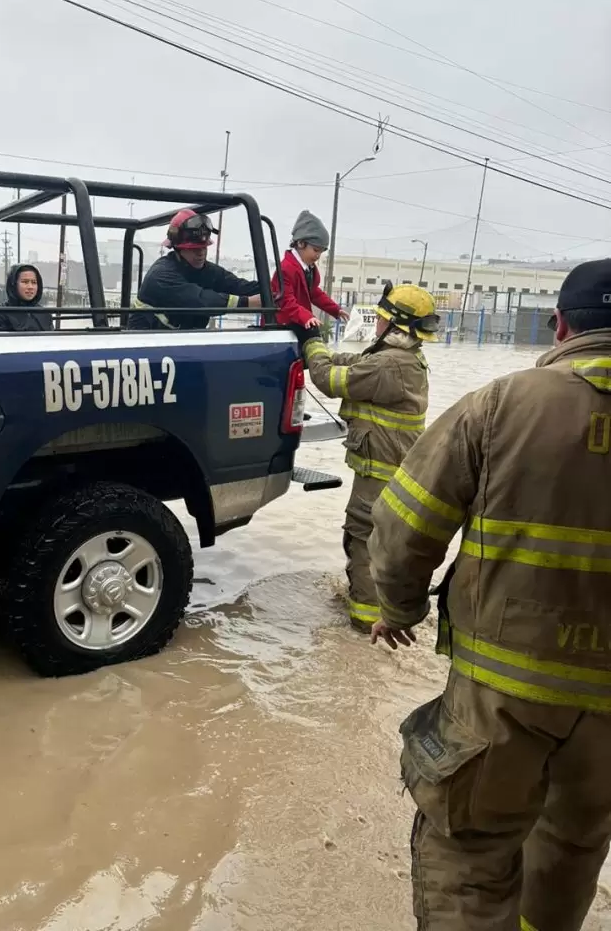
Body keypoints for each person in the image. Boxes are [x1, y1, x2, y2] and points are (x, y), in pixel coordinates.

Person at [366, 258, 611, 931]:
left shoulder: (504, 402)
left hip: (502, 699)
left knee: (467, 856)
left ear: (561, 323)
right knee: (574, 845)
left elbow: (403, 523)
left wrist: (399, 607)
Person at [301, 281, 438, 632]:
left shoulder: (389, 366)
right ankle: (378, 608)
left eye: (380, 318)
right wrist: (326, 351)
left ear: (394, 324)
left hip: (379, 478)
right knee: (381, 543)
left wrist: (311, 344)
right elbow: (356, 361)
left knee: (363, 538)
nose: (375, 323)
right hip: (391, 473)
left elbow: (329, 380)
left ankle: (364, 625)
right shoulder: (402, 359)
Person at [128, 209, 261, 330]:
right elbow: (200, 300)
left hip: (179, 346)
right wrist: (247, 302)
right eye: (194, 249)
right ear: (178, 249)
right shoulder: (161, 275)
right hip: (146, 347)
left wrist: (274, 289)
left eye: (204, 247)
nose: (201, 253)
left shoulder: (208, 271)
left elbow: (238, 286)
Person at [273, 209, 349, 329]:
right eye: (315, 250)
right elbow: (286, 302)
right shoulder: (285, 269)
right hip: (282, 325)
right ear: (301, 243)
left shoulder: (308, 269)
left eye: (321, 251)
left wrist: (336, 309)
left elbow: (314, 293)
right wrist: (307, 317)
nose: (318, 255)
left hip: (299, 321)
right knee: (313, 335)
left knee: (313, 332)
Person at [0, 263, 53, 331]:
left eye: (34, 282)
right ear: (14, 284)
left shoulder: (45, 314)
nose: (30, 287)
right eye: (25, 282)